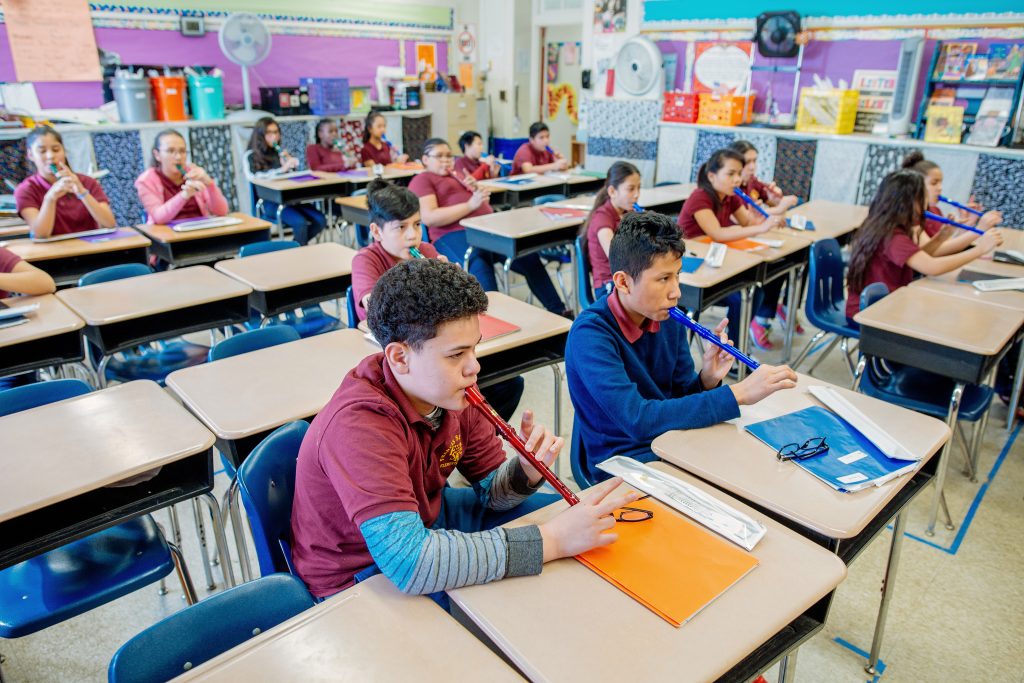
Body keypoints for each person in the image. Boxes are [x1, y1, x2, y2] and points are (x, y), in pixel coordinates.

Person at [290, 258, 636, 598]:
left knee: (574, 527)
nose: (474, 366)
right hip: (360, 578)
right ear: (400, 358)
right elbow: (411, 564)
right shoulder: (359, 425)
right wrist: (552, 540)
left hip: (428, 521)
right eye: (456, 355)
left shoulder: (450, 391)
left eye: (474, 348)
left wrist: (525, 471)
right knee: (531, 589)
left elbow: (492, 494)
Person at [566, 211, 798, 481]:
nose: (676, 291)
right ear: (622, 282)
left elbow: (679, 398)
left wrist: (707, 379)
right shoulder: (591, 334)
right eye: (663, 279)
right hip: (625, 464)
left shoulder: (665, 316)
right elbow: (638, 420)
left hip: (672, 442)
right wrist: (739, 394)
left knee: (763, 462)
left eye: (677, 275)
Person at [351, 178, 524, 422]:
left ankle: (469, 441)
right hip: (399, 358)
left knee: (509, 383)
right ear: (377, 231)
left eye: (417, 224)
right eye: (400, 228)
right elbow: (372, 306)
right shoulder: (366, 259)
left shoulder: (427, 251)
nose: (412, 235)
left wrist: (450, 283)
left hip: (436, 348)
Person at [409, 138, 571, 317]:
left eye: (449, 155)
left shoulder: (457, 175)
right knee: (479, 261)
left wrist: (476, 190)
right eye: (439, 156)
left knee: (527, 257)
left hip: (486, 230)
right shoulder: (422, 179)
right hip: (453, 233)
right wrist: (471, 205)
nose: (446, 160)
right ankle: (494, 320)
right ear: (425, 159)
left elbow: (480, 202)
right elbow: (430, 217)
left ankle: (560, 312)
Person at [845, 169, 1004, 323]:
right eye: (922, 200)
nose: (926, 206)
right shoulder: (893, 236)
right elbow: (931, 267)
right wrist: (980, 249)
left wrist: (941, 237)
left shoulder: (886, 226)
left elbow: (919, 258)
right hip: (871, 313)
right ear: (906, 203)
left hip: (883, 305)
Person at [677, 148, 784, 349]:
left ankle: (735, 348)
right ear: (711, 176)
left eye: (738, 173)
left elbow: (747, 222)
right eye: (730, 174)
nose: (737, 179)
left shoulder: (731, 195)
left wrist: (768, 216)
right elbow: (717, 233)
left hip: (715, 263)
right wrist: (758, 227)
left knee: (754, 293)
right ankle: (731, 353)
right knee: (738, 298)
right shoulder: (700, 197)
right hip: (693, 271)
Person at [730, 139, 802, 337]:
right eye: (747, 162)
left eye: (755, 160)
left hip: (753, 241)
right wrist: (778, 206)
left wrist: (776, 200)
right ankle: (758, 321)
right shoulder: (732, 189)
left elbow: (772, 206)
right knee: (766, 274)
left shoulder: (753, 183)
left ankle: (771, 315)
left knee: (786, 263)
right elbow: (750, 220)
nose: (752, 166)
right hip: (735, 248)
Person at [15, 125, 116, 239]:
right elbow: (41, 234)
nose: (50, 156)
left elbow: (109, 224)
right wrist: (50, 198)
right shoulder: (25, 190)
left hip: (92, 248)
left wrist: (82, 192)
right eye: (42, 151)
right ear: (31, 155)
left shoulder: (87, 182)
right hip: (53, 253)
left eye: (56, 150)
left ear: (64, 151)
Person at [245, 116, 326, 245]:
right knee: (300, 223)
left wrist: (291, 166)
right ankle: (299, 252)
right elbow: (254, 177)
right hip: (271, 202)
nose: (274, 136)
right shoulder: (251, 155)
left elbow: (290, 179)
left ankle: (294, 247)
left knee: (320, 220)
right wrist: (282, 169)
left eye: (276, 132)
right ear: (260, 135)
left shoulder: (279, 153)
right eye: (269, 133)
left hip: (291, 199)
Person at [135, 129, 229, 225]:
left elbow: (221, 212)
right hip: (167, 236)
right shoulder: (145, 181)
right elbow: (158, 218)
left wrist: (210, 184)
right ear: (157, 155)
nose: (178, 157)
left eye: (182, 151)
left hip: (201, 231)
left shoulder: (193, 173)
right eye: (171, 151)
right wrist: (184, 195)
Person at [901, 150, 1002, 238]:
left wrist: (967, 222)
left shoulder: (936, 211)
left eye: (941, 183)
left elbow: (947, 248)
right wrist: (980, 230)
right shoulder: (911, 217)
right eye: (934, 183)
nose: (940, 188)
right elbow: (933, 253)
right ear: (915, 185)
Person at [582, 161, 640, 298]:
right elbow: (617, 258)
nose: (637, 194)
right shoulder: (602, 219)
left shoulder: (627, 213)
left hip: (629, 279)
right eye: (631, 189)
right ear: (612, 191)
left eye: (639, 188)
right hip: (609, 286)